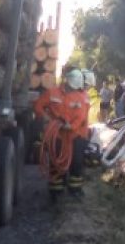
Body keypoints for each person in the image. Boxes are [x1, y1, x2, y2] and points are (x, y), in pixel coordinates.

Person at [33, 69, 88, 203]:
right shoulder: (52, 93)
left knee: (76, 162)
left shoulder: (79, 96)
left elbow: (81, 116)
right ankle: (56, 191)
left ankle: (75, 190)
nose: (73, 88)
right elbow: (38, 106)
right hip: (56, 135)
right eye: (71, 85)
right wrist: (46, 118)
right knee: (56, 162)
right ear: (67, 81)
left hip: (74, 135)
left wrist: (71, 126)